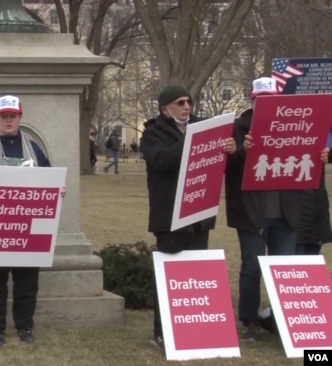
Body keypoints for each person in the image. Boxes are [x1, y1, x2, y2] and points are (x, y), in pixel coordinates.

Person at [224, 76, 329, 341]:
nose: (265, 106)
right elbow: (227, 167)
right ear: (252, 100)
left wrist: (324, 155)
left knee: (286, 269)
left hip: (286, 213)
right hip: (252, 213)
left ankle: (285, 320)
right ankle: (249, 321)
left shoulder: (294, 125)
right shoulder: (238, 127)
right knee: (252, 267)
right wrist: (240, 152)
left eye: (270, 101)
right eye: (260, 101)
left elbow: (311, 156)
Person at [0, 95, 64, 348]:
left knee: (27, 278)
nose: (8, 120)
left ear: (20, 118)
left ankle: (25, 325)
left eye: (13, 116)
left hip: (28, 224)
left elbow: (47, 173)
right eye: (4, 116)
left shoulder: (33, 148)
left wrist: (55, 190)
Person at [140, 85, 236, 350]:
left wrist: (228, 148)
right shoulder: (152, 134)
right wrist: (192, 140)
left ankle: (192, 330)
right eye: (180, 102)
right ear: (165, 108)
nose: (186, 107)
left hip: (198, 214)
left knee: (195, 274)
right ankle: (161, 331)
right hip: (170, 215)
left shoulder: (201, 127)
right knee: (169, 274)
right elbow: (161, 162)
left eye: (189, 102)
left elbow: (215, 165)